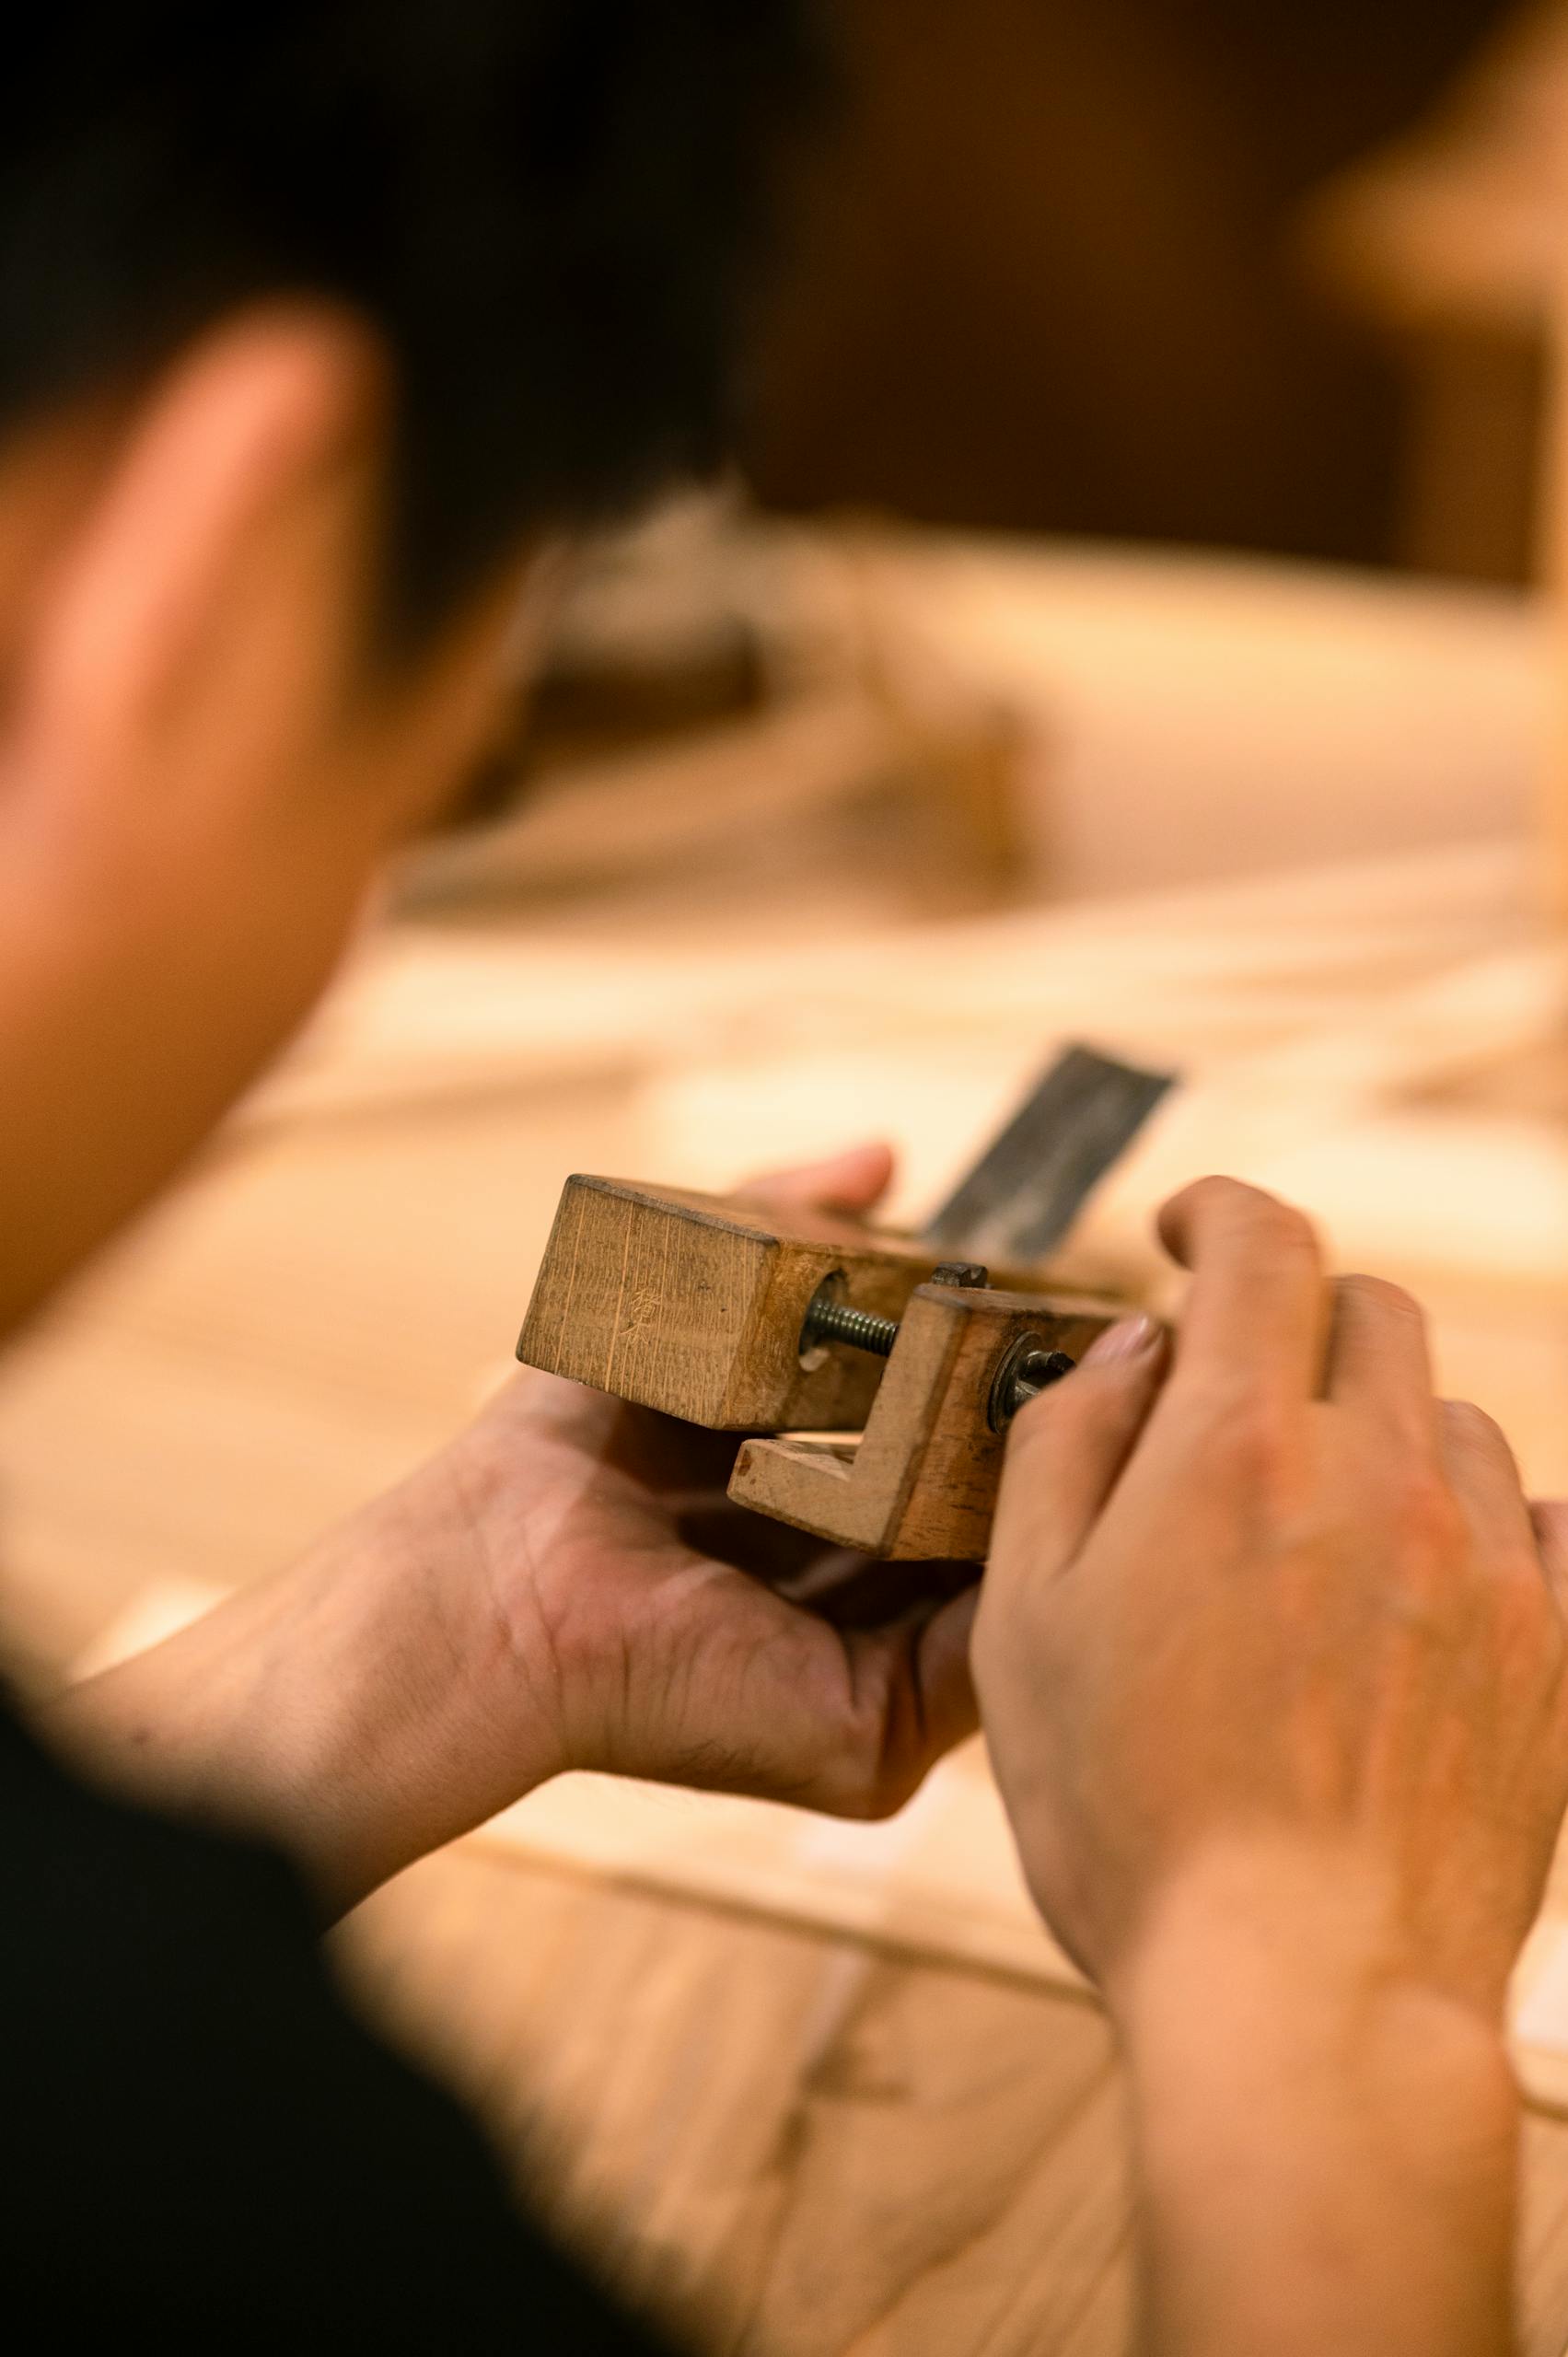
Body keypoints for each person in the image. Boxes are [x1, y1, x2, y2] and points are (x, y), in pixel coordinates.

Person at [2, 6, 1565, 2351]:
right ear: (230, 558)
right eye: (463, 722)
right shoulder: (220, 2189)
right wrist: (1325, 1998)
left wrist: (411, 1646)